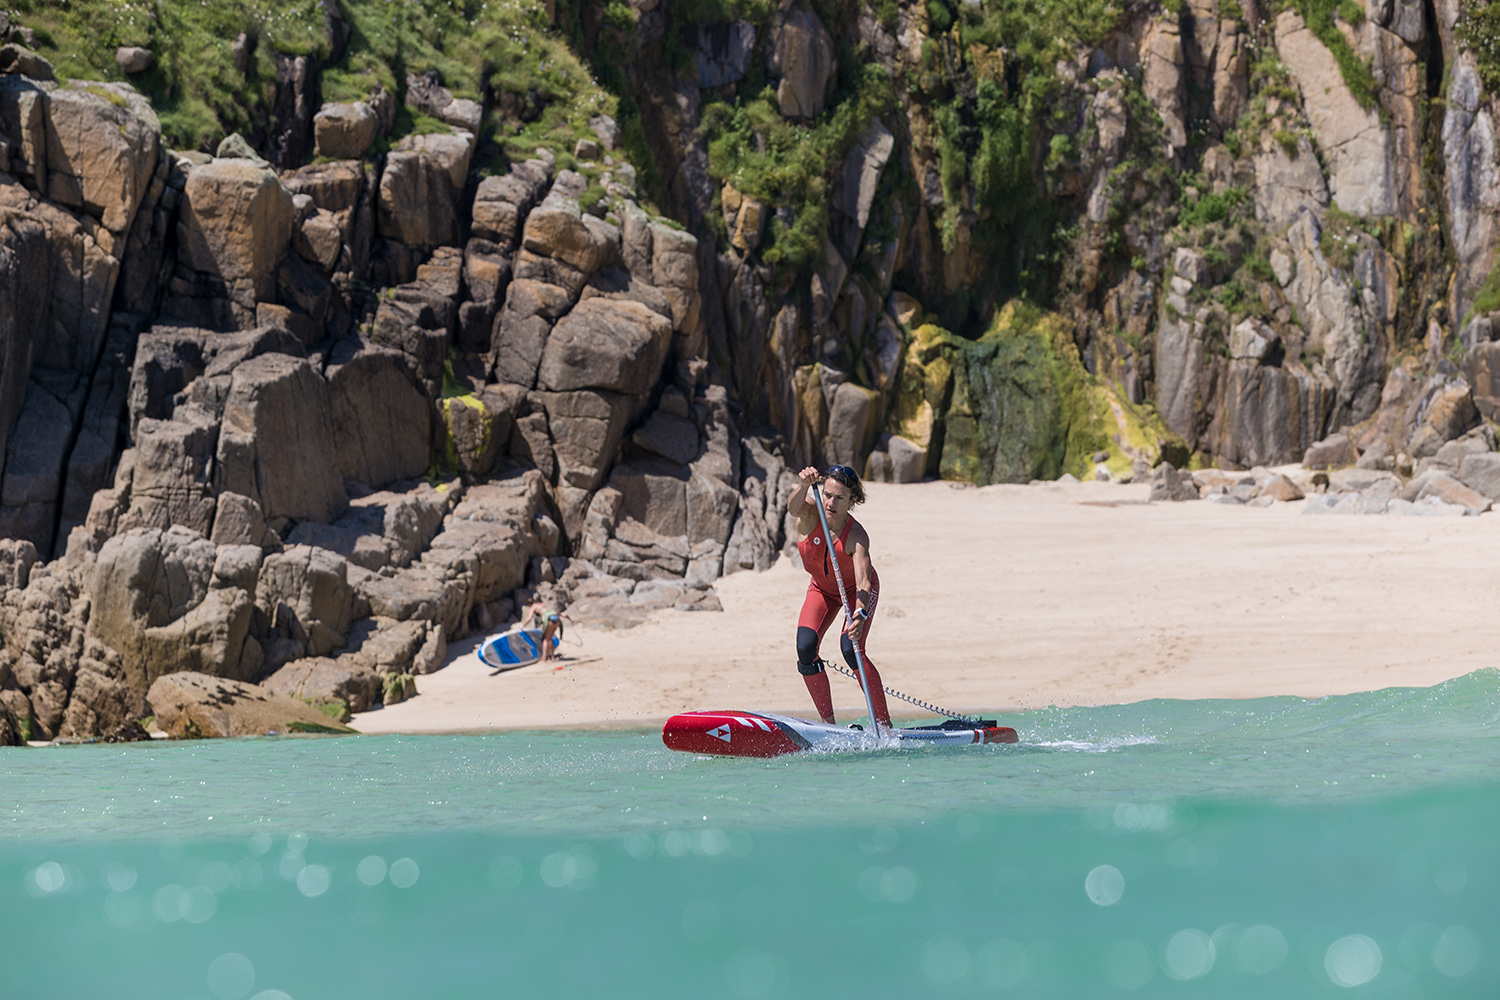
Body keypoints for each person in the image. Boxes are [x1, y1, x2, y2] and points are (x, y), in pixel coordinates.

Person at [787, 464, 893, 729]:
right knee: (805, 648)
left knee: (851, 648)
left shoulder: (855, 536)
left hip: (854, 592)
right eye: (828, 495)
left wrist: (860, 614)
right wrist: (802, 485)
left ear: (852, 501)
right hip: (822, 589)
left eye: (840, 498)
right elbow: (792, 508)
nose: (831, 502)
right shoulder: (810, 514)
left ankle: (884, 726)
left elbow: (864, 582)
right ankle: (828, 725)